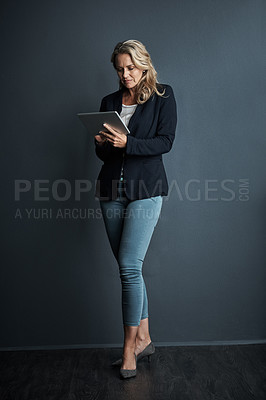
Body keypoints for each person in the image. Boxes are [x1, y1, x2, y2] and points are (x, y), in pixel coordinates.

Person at [94, 39, 177, 379]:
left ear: (144, 65)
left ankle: (128, 349)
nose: (125, 74)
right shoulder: (109, 102)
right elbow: (104, 156)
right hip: (111, 190)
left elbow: (165, 141)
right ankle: (143, 337)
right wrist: (102, 144)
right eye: (119, 69)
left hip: (147, 190)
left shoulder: (163, 95)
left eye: (130, 68)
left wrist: (128, 142)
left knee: (129, 267)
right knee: (129, 270)